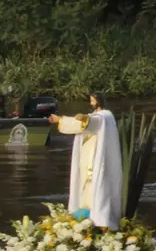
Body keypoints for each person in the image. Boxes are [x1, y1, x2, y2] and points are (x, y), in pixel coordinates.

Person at [48, 91, 122, 228]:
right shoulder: (95, 116)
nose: (91, 103)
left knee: (95, 183)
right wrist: (60, 120)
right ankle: (85, 212)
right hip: (87, 156)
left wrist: (84, 118)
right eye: (91, 101)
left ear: (99, 101)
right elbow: (79, 125)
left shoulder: (105, 116)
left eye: (93, 101)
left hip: (96, 158)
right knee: (84, 184)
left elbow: (92, 122)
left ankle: (98, 217)